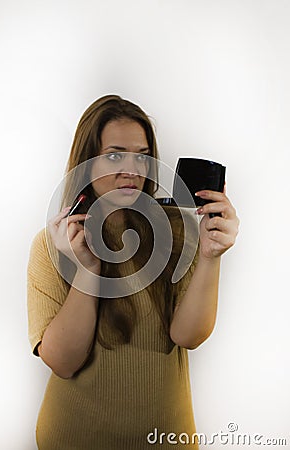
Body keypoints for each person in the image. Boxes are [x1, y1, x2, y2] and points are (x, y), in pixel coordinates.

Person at [27, 94, 239, 449]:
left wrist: (210, 256)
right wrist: (88, 269)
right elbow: (62, 362)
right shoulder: (52, 245)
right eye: (114, 155)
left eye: (141, 156)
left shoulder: (177, 233)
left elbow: (188, 336)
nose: (131, 170)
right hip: (74, 438)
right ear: (87, 162)